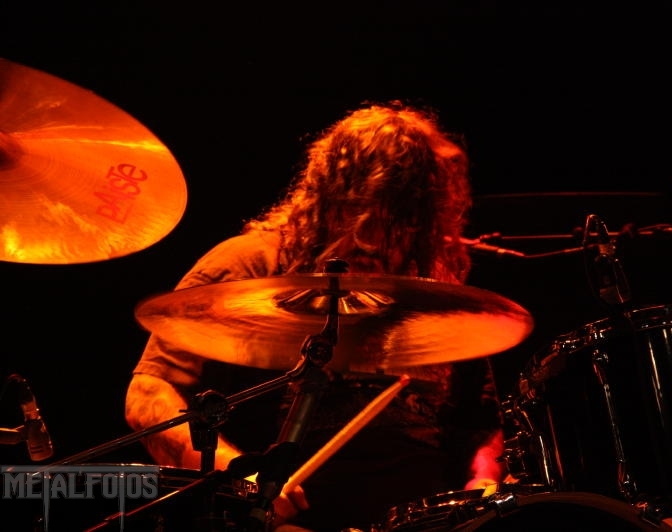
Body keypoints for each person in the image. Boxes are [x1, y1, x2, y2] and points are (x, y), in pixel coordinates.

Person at [124, 100, 507, 531]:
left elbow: (479, 427)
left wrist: (484, 479)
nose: (382, 238)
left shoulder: (433, 294)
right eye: (369, 214)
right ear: (333, 198)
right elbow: (148, 396)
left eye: (406, 222)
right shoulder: (248, 268)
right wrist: (240, 476)